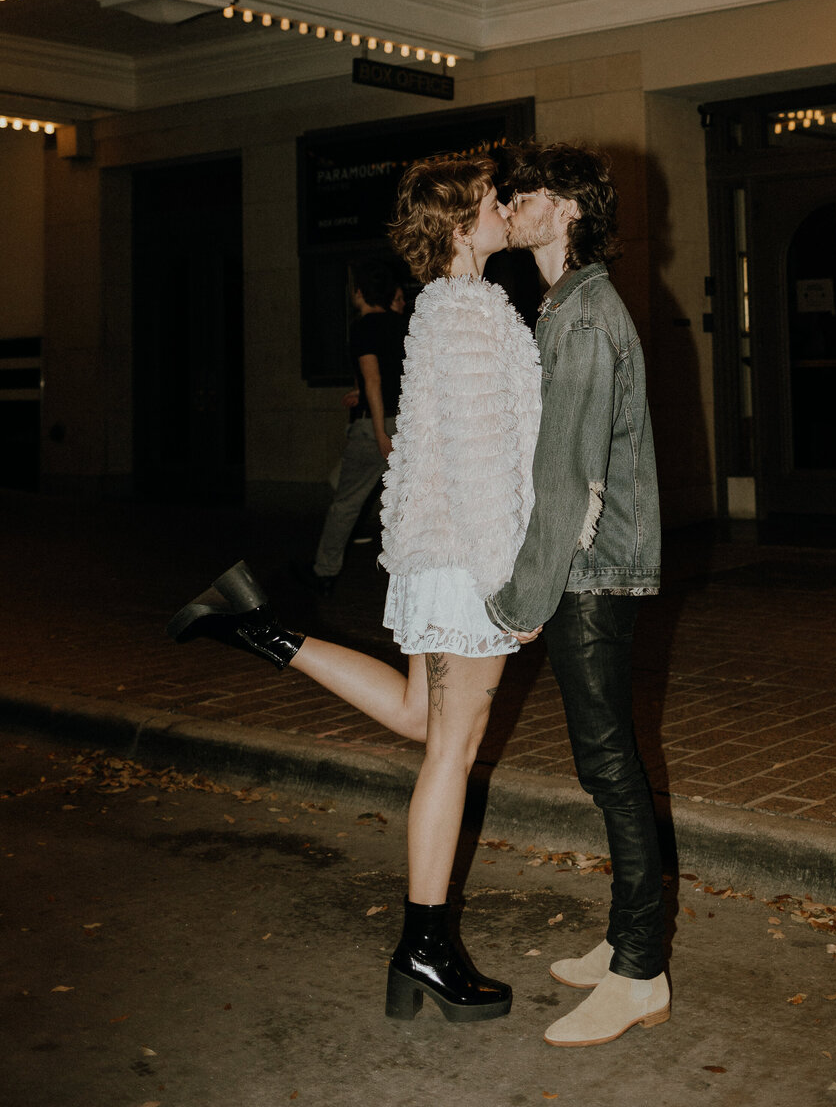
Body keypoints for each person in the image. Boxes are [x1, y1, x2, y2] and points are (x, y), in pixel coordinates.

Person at [166, 157, 541, 1026]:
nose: (501, 211)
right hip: (469, 565)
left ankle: (255, 627)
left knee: (421, 721)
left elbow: (424, 450)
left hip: (433, 558)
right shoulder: (472, 312)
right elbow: (488, 470)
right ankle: (426, 945)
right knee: (450, 754)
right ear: (457, 225)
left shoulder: (437, 313)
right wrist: (513, 592)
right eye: (490, 201)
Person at [485, 141, 669, 1049]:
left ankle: (641, 971)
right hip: (589, 567)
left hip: (592, 572)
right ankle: (626, 945)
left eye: (525, 195)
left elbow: (566, 477)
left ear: (566, 211)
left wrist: (522, 598)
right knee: (609, 766)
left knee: (611, 768)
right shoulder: (563, 303)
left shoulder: (585, 316)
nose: (510, 205)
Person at [297, 260, 408, 595]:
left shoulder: (363, 328)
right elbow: (399, 375)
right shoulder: (402, 325)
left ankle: (324, 572)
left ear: (360, 293)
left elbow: (374, 380)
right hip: (407, 422)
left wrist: (378, 433)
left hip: (376, 424)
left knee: (345, 503)